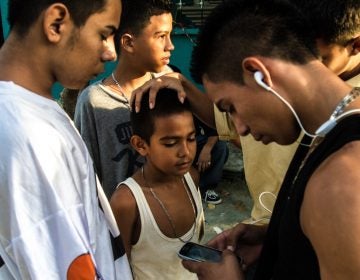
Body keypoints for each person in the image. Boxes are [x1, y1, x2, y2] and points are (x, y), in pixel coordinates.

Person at [178, 0, 360, 278]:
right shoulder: (324, 132)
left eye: (230, 107)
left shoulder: (341, 180)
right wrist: (274, 238)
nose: (239, 128)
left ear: (258, 73)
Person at [0, 0, 133, 279]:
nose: (111, 52)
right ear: (56, 23)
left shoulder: (33, 112)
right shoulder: (29, 136)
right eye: (103, 34)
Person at [74, 0, 175, 198]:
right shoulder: (93, 101)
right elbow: (85, 173)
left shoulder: (168, 84)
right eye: (161, 36)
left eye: (170, 35)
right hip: (118, 219)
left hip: (167, 211)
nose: (170, 46)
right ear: (128, 42)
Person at [110, 88, 204, 279]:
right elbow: (118, 270)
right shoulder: (127, 202)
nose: (185, 152)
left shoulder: (190, 178)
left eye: (191, 138)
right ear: (140, 145)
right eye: (170, 143)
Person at [193, 116, 228, 204]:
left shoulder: (192, 105)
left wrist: (206, 149)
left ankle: (205, 188)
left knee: (220, 146)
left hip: (193, 141)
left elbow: (214, 130)